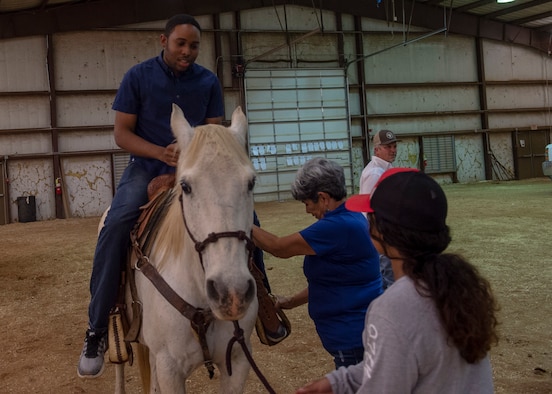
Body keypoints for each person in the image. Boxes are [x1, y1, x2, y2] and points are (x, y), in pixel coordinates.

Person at [77, 14, 281, 379]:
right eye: (180, 43)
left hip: (195, 170)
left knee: (249, 225)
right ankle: (97, 329)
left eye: (193, 45)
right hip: (147, 168)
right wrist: (160, 153)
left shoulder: (208, 81)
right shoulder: (137, 77)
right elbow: (122, 134)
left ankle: (264, 306)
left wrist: (191, 156)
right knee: (117, 223)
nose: (187, 51)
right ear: (163, 40)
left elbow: (215, 135)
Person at [296, 168, 499, 393]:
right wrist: (338, 382)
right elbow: (394, 361)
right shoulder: (457, 287)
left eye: (370, 217)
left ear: (381, 230)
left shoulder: (392, 309)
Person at [252, 157, 383, 369]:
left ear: (322, 198)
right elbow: (332, 282)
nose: (307, 211)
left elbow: (279, 248)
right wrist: (291, 302)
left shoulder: (337, 226)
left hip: (352, 337)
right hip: (356, 334)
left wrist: (240, 222)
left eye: (307, 203)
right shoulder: (351, 216)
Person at [359, 129, 399, 290]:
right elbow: (370, 208)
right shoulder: (375, 172)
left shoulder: (384, 168)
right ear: (377, 149)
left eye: (394, 146)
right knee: (387, 279)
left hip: (385, 232)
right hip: (380, 233)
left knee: (388, 277)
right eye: (388, 147)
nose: (393, 150)